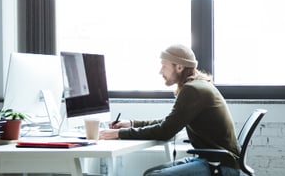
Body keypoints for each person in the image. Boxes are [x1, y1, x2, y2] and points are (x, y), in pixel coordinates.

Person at [98, 44, 240, 176]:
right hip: (215, 161)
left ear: (179, 67)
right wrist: (132, 123)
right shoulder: (197, 85)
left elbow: (164, 131)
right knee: (151, 172)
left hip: (221, 166)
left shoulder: (192, 90)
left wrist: (119, 133)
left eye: (164, 66)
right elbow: (169, 122)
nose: (160, 71)